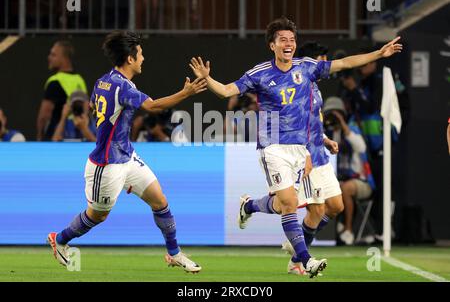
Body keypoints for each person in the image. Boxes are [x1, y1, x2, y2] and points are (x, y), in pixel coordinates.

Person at [189, 17, 402, 278]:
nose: (288, 44)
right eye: (283, 40)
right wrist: (207, 79)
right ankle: (305, 259)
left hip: (300, 150)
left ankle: (253, 209)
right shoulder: (259, 74)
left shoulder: (308, 67)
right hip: (273, 147)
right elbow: (225, 91)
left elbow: (345, 63)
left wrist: (379, 54)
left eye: (292, 40)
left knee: (293, 204)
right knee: (289, 203)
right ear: (272, 45)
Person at [47, 31, 207, 273]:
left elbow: (93, 107)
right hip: (107, 164)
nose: (143, 58)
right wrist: (186, 93)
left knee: (160, 200)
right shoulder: (123, 87)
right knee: (98, 216)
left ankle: (174, 253)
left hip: (127, 156)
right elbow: (152, 106)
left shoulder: (104, 80)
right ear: (130, 59)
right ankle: (59, 239)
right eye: (140, 54)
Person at [280, 41, 344, 275]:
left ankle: (296, 245)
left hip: (321, 153)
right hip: (307, 157)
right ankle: (298, 258)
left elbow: (314, 122)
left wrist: (325, 139)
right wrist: (305, 152)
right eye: (321, 59)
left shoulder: (315, 87)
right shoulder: (298, 86)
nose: (325, 64)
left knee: (336, 206)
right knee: (313, 210)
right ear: (310, 63)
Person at [322, 97, 375, 245]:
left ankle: (348, 229)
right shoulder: (328, 135)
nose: (334, 119)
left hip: (362, 182)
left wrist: (343, 125)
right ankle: (331, 228)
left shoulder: (352, 130)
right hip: (338, 179)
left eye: (336, 115)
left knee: (345, 188)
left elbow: (361, 148)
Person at [36, 40, 87, 141]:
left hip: (57, 138)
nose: (49, 57)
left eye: (53, 55)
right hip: (78, 137)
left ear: (64, 59)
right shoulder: (80, 80)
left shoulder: (55, 81)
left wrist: (40, 137)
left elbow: (44, 115)